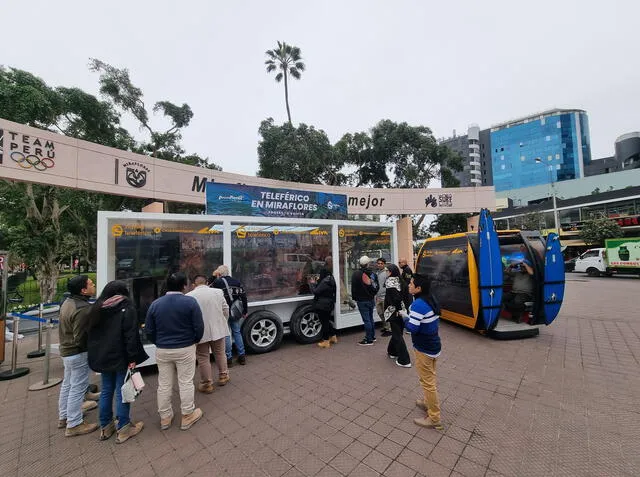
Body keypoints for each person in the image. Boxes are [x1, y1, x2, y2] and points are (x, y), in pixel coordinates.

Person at [87, 280, 149, 443]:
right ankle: (123, 427)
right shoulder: (126, 308)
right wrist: (132, 357)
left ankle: (106, 426)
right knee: (124, 391)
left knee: (107, 389)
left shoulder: (97, 308)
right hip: (121, 356)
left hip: (103, 356)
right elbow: (130, 336)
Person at [145, 272, 204, 431]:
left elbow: (149, 330)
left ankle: (165, 417)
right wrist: (194, 340)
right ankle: (187, 415)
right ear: (184, 286)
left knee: (164, 384)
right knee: (185, 382)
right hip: (185, 348)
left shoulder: (155, 304)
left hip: (163, 349)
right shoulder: (190, 302)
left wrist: (158, 342)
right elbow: (199, 327)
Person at [57, 275, 99, 437]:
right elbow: (80, 337)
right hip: (77, 352)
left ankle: (64, 415)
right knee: (77, 386)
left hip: (67, 351)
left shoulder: (68, 303)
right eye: (90, 284)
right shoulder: (82, 309)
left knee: (68, 384)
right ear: (83, 290)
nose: (93, 285)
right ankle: (74, 423)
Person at [400, 273, 443, 429]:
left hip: (424, 348)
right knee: (428, 379)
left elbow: (412, 328)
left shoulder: (418, 304)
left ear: (418, 288)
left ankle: (434, 418)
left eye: (411, 284)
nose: (409, 285)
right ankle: (427, 402)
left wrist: (404, 318)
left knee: (428, 383)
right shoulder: (430, 299)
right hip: (434, 345)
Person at [186, 274, 230, 392]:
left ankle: (207, 384)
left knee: (203, 357)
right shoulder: (218, 292)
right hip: (218, 329)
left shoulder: (189, 296)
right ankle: (223, 376)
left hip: (200, 332)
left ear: (194, 285)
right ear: (206, 283)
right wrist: (223, 322)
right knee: (220, 353)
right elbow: (225, 309)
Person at [211, 265, 248, 366]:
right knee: (237, 332)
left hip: (223, 312)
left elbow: (208, 289)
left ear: (219, 273)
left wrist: (214, 276)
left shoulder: (217, 283)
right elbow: (244, 296)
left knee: (227, 334)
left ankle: (229, 358)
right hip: (235, 311)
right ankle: (242, 356)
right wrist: (245, 311)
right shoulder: (236, 281)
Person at [384, 264, 411, 368]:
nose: (386, 272)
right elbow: (406, 296)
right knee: (398, 332)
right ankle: (392, 351)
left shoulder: (390, 281)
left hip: (393, 311)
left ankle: (404, 360)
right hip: (402, 311)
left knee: (397, 334)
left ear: (391, 272)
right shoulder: (400, 280)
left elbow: (395, 299)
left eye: (387, 271)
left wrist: (398, 309)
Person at [310, 257, 338, 349]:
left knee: (324, 322)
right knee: (327, 320)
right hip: (329, 303)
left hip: (323, 304)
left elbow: (316, 291)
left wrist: (312, 283)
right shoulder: (331, 278)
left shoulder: (325, 280)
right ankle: (333, 337)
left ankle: (326, 341)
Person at [351, 256, 378, 346]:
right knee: (370, 318)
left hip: (361, 300)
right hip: (370, 299)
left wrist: (355, 297)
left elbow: (353, 288)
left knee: (366, 320)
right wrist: (372, 294)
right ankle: (372, 336)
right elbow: (376, 287)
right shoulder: (372, 274)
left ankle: (369, 339)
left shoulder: (356, 274)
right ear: (368, 264)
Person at [375, 258, 391, 337]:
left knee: (386, 313)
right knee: (380, 312)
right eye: (378, 263)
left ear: (384, 264)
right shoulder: (377, 272)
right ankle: (385, 326)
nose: (380, 265)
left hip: (385, 297)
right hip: (378, 297)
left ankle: (389, 329)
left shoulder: (387, 272)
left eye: (381, 263)